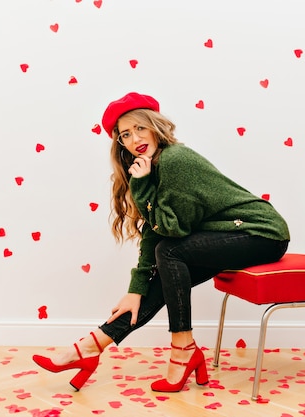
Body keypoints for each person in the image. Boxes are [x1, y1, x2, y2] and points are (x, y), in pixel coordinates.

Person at [32, 92, 290, 393]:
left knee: (169, 252)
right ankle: (91, 347)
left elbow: (172, 230)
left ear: (155, 126)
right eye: (125, 135)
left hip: (262, 233)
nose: (134, 138)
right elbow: (157, 233)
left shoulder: (175, 160)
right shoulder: (152, 166)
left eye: (140, 128)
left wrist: (141, 187)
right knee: (162, 273)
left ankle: (183, 350)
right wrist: (136, 289)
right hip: (231, 237)